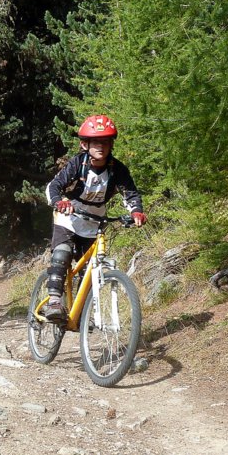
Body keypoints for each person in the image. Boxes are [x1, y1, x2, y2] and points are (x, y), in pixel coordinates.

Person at [43, 114, 147, 323]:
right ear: (85, 144)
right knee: (62, 254)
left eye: (106, 142)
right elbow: (53, 186)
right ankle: (54, 300)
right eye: (96, 142)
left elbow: (131, 193)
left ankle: (83, 312)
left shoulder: (117, 169)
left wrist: (135, 212)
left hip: (95, 222)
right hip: (69, 218)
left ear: (111, 144)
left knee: (90, 269)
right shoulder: (77, 163)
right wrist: (59, 202)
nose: (101, 146)